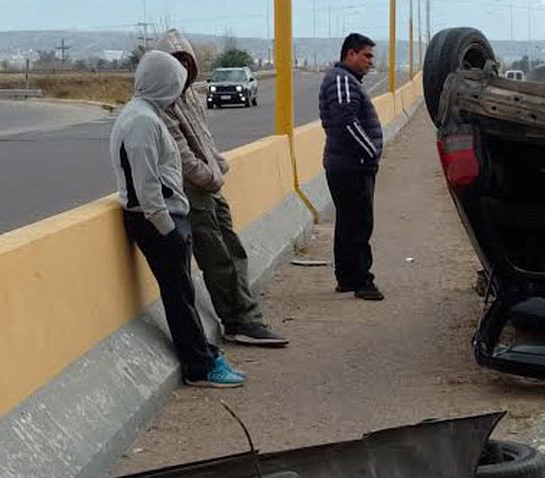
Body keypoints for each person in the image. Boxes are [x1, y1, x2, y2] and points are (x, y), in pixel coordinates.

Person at [109, 50, 246, 387]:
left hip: (164, 218)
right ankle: (200, 366)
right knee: (179, 297)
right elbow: (146, 186)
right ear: (165, 83)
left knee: (181, 293)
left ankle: (204, 356)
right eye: (175, 83)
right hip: (158, 221)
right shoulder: (142, 121)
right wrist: (168, 229)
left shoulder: (145, 114)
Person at [157, 30, 289, 347]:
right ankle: (237, 320)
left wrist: (217, 167)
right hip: (193, 192)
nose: (182, 71)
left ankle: (247, 316)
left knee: (234, 251)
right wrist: (212, 176)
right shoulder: (162, 105)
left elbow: (204, 140)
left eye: (187, 63)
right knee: (217, 257)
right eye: (175, 64)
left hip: (211, 186)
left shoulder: (189, 96)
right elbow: (183, 159)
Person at [319, 33, 385, 301]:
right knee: (359, 224)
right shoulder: (342, 80)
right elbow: (346, 121)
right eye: (366, 55)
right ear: (350, 55)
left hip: (348, 164)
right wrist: (370, 153)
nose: (370, 61)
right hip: (351, 166)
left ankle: (346, 278)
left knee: (347, 223)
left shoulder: (347, 80)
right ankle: (362, 282)